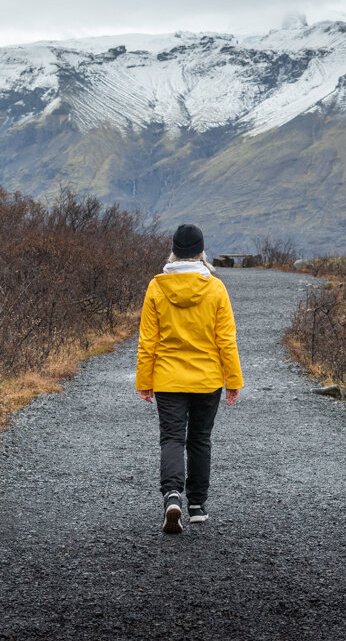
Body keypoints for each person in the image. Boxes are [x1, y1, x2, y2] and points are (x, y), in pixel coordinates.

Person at [136, 223, 243, 534]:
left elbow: (148, 340)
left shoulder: (157, 287)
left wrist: (145, 380)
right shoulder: (216, 288)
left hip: (168, 378)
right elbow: (226, 339)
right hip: (208, 378)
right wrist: (233, 379)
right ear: (201, 252)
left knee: (171, 438)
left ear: (174, 251)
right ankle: (197, 505)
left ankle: (172, 496)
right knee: (199, 439)